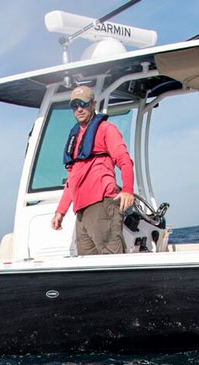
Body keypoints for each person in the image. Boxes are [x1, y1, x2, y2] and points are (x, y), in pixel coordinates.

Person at [50, 85, 135, 255]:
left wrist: (127, 190)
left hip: (102, 205)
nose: (79, 109)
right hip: (81, 212)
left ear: (93, 104)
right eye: (75, 105)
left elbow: (124, 160)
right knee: (88, 267)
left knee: (112, 263)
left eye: (84, 104)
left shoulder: (106, 129)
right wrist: (60, 211)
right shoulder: (75, 138)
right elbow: (72, 180)